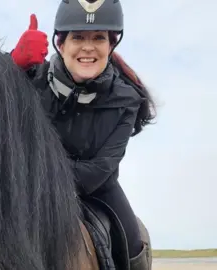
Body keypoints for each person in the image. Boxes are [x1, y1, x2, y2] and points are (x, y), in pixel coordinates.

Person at [9, 1, 156, 270]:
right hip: (29, 182)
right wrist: (10, 67)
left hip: (95, 186)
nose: (88, 46)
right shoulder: (30, 81)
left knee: (133, 241)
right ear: (61, 44)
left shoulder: (128, 100)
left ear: (110, 45)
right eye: (77, 36)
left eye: (98, 37)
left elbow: (100, 168)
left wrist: (40, 174)